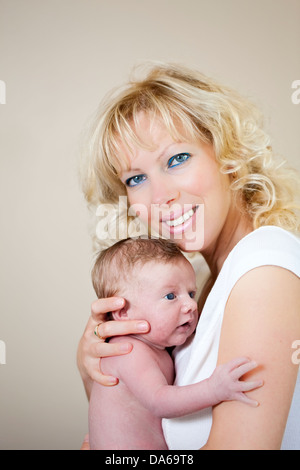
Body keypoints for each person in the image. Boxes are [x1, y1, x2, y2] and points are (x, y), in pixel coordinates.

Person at [77, 62, 300, 450]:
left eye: (177, 159)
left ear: (228, 154)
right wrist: (93, 369)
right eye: (136, 178)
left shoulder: (264, 267)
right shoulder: (198, 283)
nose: (159, 196)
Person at [88, 237, 262, 450]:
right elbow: (160, 401)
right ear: (123, 312)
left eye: (191, 293)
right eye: (171, 296)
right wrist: (213, 389)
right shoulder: (127, 351)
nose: (190, 305)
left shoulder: (156, 344)